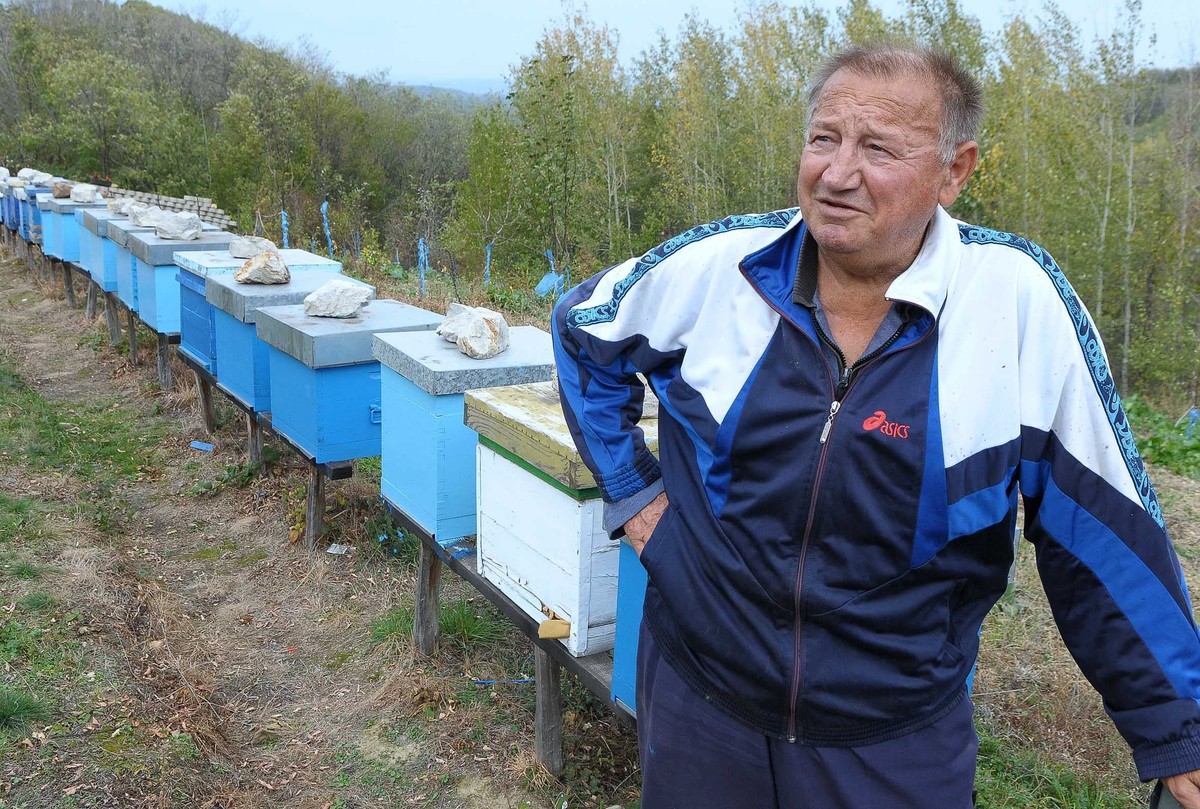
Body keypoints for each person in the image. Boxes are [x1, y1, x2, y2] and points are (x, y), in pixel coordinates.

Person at [552, 44, 1200, 808]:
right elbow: (582, 330)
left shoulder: (1016, 304)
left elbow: (1100, 525)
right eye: (823, 138)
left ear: (955, 170)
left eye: (878, 148)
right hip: (701, 701)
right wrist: (637, 500)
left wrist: (1177, 725)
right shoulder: (722, 267)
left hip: (893, 738)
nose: (836, 172)